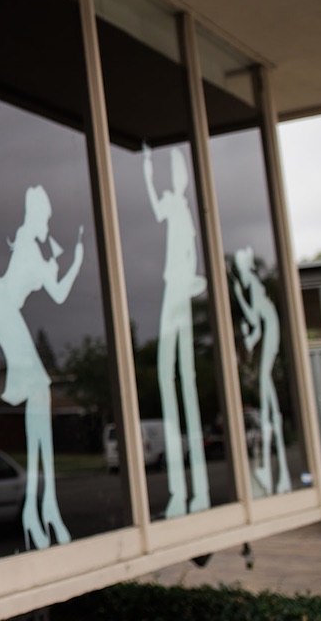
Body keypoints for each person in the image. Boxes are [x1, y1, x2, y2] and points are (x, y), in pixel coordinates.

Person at [0, 185, 83, 549]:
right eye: (47, 217)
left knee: (40, 398)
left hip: (5, 307)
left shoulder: (35, 247)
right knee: (40, 391)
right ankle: (43, 508)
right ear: (36, 216)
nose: (48, 224)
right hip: (0, 305)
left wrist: (74, 263)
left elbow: (57, 293)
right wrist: (56, 264)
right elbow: (49, 284)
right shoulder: (27, 240)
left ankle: (39, 508)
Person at [143, 144, 210, 517]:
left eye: (176, 169)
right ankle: (181, 493)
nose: (175, 178)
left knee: (183, 380)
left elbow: (191, 258)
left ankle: (194, 493)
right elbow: (155, 207)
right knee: (172, 379)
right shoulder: (173, 205)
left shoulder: (183, 210)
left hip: (180, 293)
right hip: (174, 292)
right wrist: (148, 174)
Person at [232, 246, 291, 495]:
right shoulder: (254, 285)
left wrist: (239, 294)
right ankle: (275, 473)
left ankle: (276, 473)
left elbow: (255, 324)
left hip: (270, 333)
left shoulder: (253, 286)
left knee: (267, 394)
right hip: (268, 334)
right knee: (267, 396)